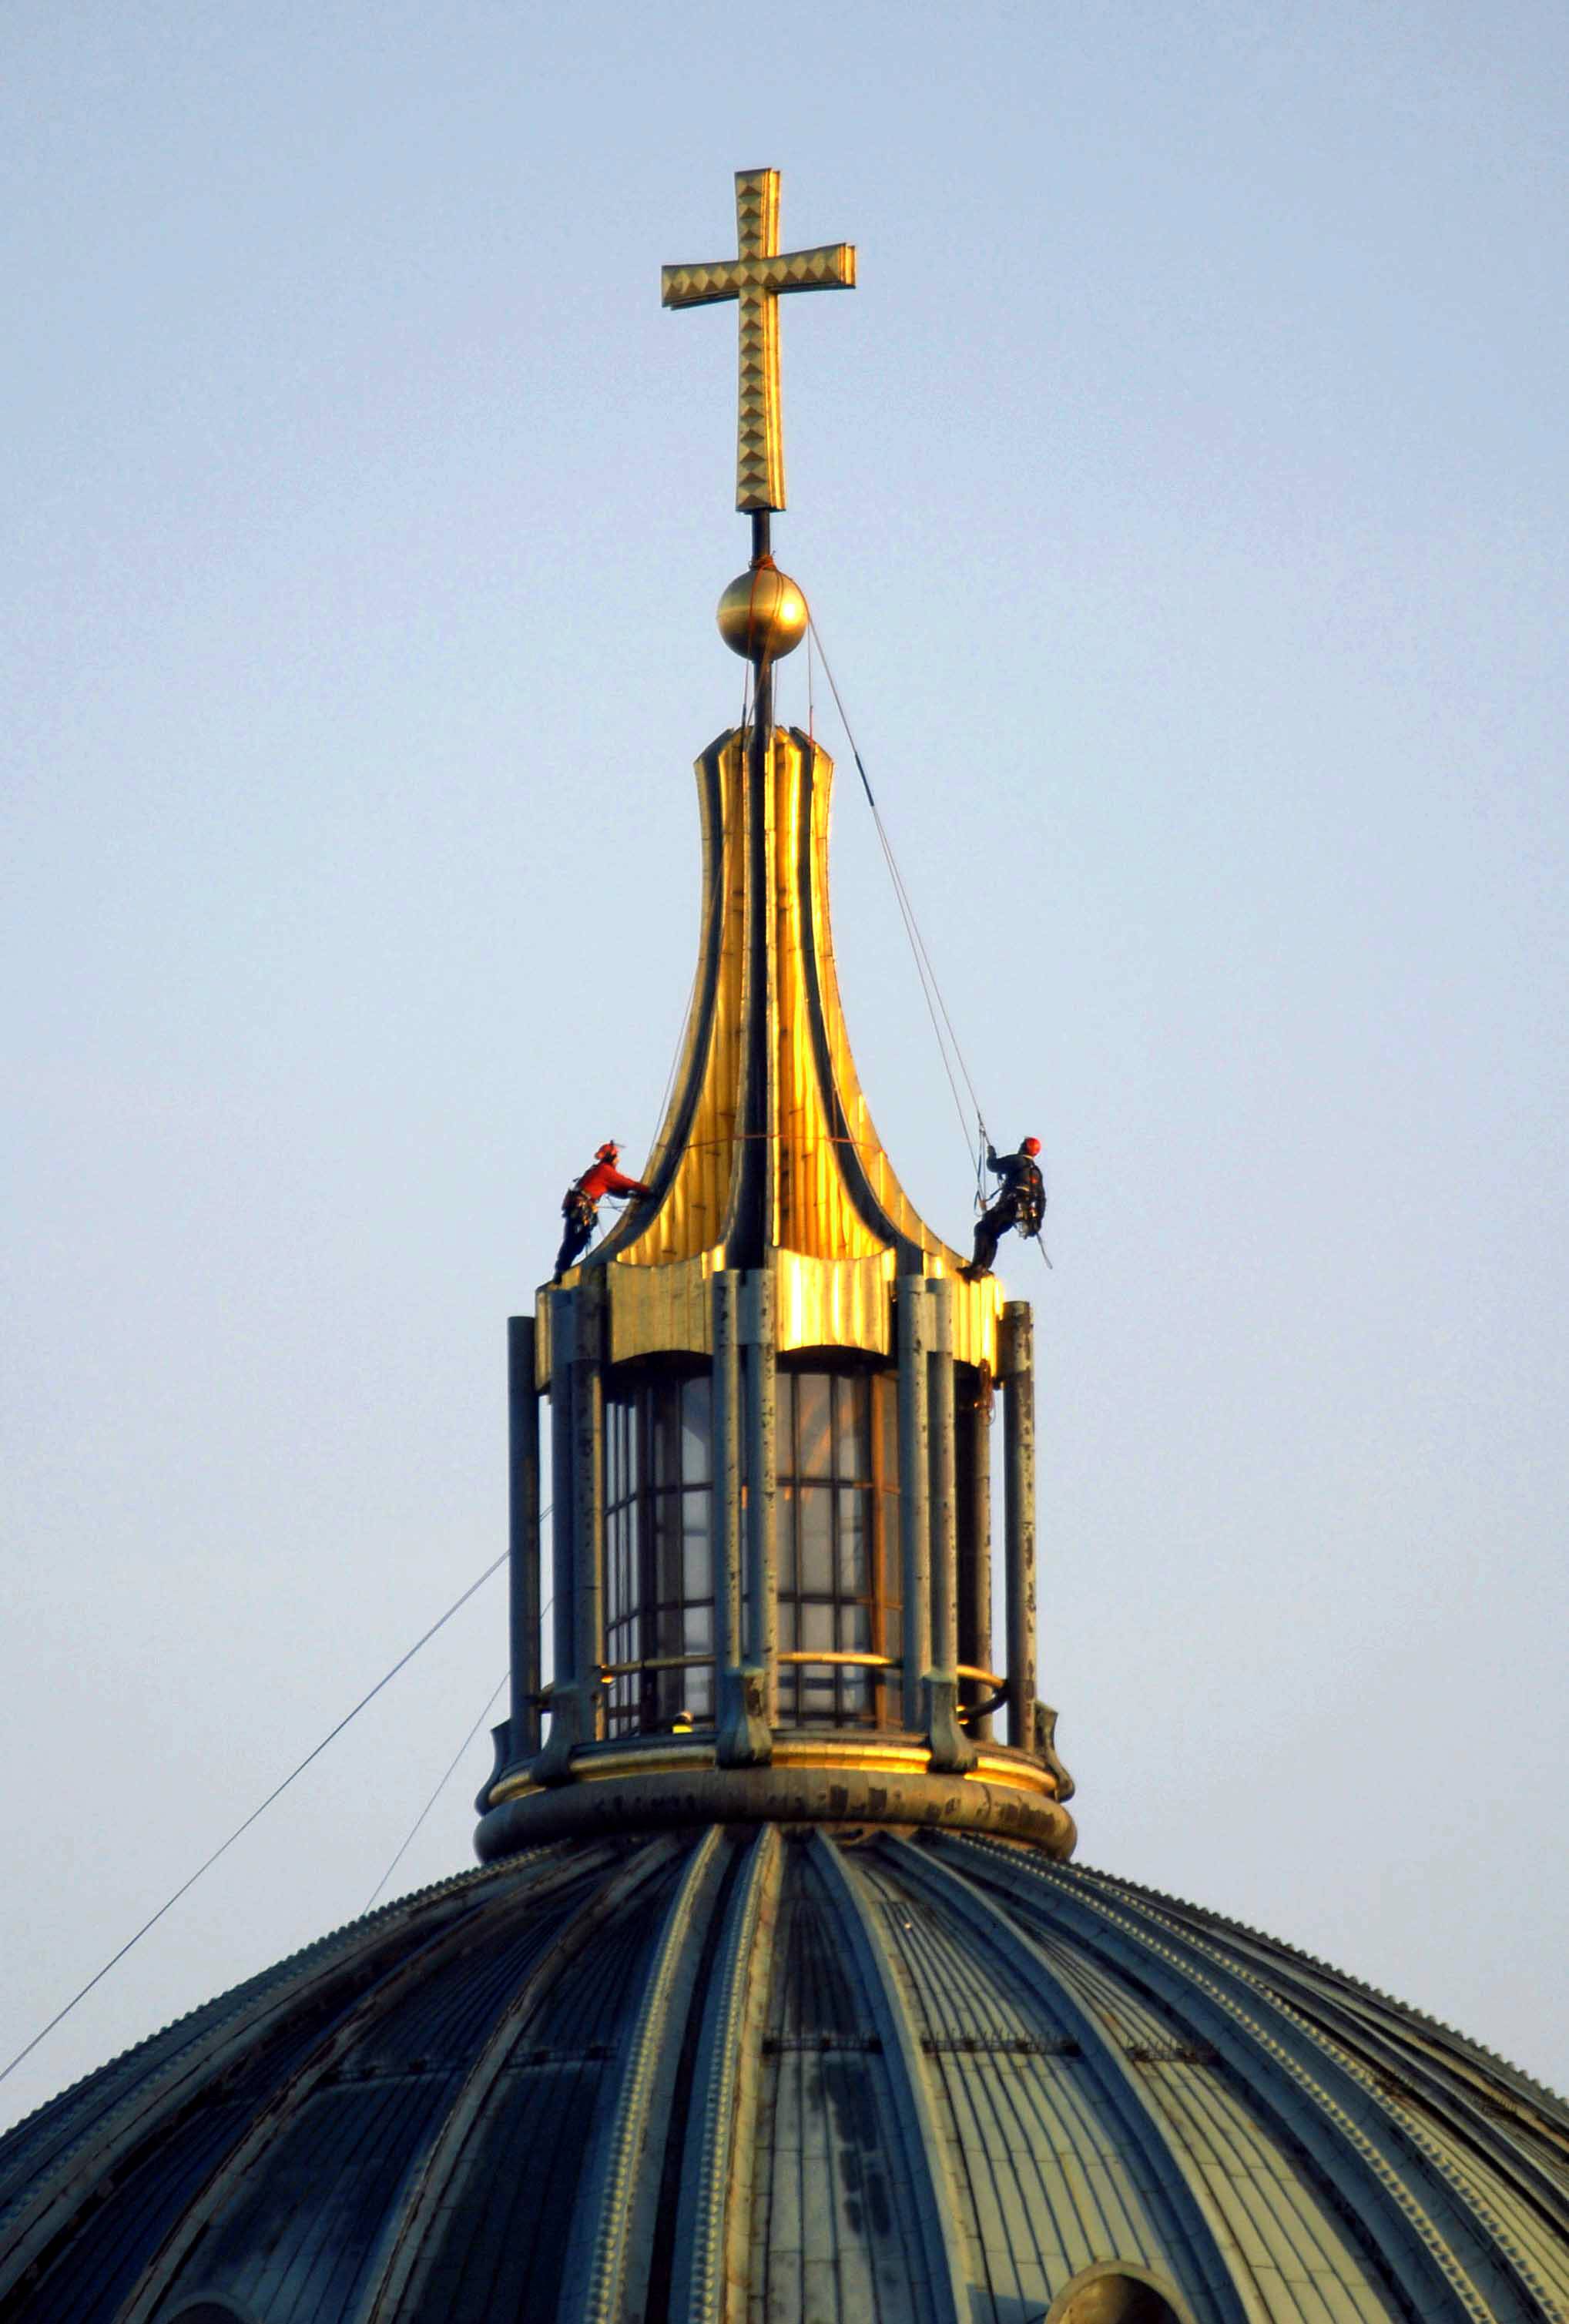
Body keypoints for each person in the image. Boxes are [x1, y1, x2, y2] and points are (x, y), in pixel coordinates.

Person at [553, 1142, 652, 1279]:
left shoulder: (598, 1170)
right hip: (581, 1209)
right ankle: (561, 1270)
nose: (618, 1159)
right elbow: (628, 1183)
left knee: (575, 1240)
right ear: (611, 1158)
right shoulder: (605, 1171)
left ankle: (561, 1270)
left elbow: (615, 1189)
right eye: (616, 1156)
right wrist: (649, 1190)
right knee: (576, 1240)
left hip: (576, 1208)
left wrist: (630, 1194)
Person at [963, 1137, 1046, 1278]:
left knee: (982, 1229)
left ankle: (977, 1267)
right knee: (993, 1233)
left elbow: (993, 1165)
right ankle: (983, 1268)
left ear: (1024, 1147)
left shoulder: (1018, 1161)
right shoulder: (1036, 1172)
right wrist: (1037, 1222)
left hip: (1008, 1206)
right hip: (1018, 1214)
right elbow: (1041, 1200)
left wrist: (991, 1154)